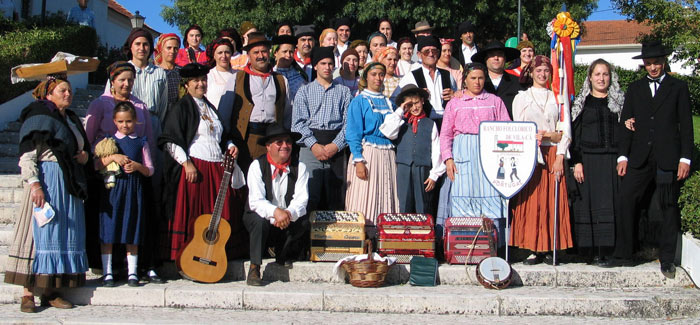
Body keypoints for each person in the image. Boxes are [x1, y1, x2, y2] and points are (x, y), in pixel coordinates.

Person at [6, 76, 91, 313]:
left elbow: (81, 147)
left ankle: (51, 290)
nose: (68, 94)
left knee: (59, 236)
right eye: (62, 90)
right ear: (48, 94)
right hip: (46, 180)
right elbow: (27, 155)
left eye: (70, 90)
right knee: (36, 236)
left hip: (67, 183)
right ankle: (28, 293)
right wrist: (35, 185)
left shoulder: (71, 119)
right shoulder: (39, 117)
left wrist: (84, 155)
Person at [615, 41, 694, 278]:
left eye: (656, 63)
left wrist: (685, 159)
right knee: (626, 198)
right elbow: (625, 124)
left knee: (668, 206)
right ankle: (624, 254)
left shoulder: (678, 87)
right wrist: (623, 156)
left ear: (664, 62)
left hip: (668, 157)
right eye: (648, 64)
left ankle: (667, 259)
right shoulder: (635, 88)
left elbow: (687, 126)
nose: (653, 67)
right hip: (639, 156)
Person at [159, 63, 247, 262]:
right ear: (186, 85)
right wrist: (186, 163)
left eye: (203, 80)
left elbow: (222, 135)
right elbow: (169, 140)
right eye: (196, 81)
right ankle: (190, 255)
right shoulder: (181, 107)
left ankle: (219, 253)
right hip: (196, 167)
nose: (201, 84)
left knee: (220, 210)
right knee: (196, 215)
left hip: (216, 167)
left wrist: (231, 145)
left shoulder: (209, 107)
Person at [510, 55, 573, 265]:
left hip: (553, 152)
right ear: (531, 72)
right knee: (533, 201)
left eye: (546, 70)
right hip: (532, 154)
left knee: (552, 200)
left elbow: (564, 128)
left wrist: (560, 153)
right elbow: (517, 127)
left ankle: (550, 247)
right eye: (538, 70)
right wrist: (536, 137)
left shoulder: (557, 96)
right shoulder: (522, 97)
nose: (542, 74)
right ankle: (532, 247)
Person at [439, 63, 511, 245]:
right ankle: (464, 244)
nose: (477, 82)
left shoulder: (495, 101)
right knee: (463, 194)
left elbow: (507, 127)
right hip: (463, 152)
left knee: (491, 196)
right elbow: (446, 133)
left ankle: (492, 245)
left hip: (489, 152)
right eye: (473, 78)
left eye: (480, 78)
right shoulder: (455, 103)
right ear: (465, 81)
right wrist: (448, 159)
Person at [569, 59, 625, 267]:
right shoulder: (581, 104)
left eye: (605, 74)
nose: (601, 78)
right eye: (597, 74)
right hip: (588, 162)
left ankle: (609, 251)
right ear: (590, 77)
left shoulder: (620, 103)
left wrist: (623, 157)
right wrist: (577, 163)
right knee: (589, 205)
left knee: (610, 205)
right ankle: (589, 251)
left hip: (612, 162)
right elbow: (574, 135)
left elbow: (627, 133)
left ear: (611, 77)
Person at [243, 124, 309, 286]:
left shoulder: (300, 167)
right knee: (258, 221)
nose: (285, 146)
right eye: (279, 142)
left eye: (288, 142)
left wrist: (287, 213)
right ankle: (254, 268)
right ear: (268, 146)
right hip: (264, 218)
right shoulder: (256, 166)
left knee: (303, 219)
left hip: (285, 219)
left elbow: (301, 200)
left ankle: (283, 254)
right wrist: (275, 213)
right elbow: (256, 201)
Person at [96, 101, 153, 287]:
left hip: (133, 190)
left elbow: (150, 169)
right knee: (109, 230)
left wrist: (137, 167)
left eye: (128, 121)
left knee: (132, 229)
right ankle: (108, 272)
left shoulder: (141, 141)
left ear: (135, 121)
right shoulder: (109, 141)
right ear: (114, 121)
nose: (125, 125)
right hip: (112, 191)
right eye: (120, 122)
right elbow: (96, 165)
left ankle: (133, 272)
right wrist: (113, 157)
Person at [292, 47, 353, 213]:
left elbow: (349, 124)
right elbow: (297, 123)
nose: (327, 67)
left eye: (330, 63)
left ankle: (336, 236)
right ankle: (306, 236)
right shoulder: (304, 91)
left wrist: (336, 145)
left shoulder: (344, 92)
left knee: (336, 193)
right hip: (311, 145)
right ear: (316, 66)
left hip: (337, 146)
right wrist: (314, 145)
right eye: (323, 63)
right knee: (309, 192)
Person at [345, 63, 400, 236]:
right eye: (374, 74)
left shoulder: (389, 102)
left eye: (381, 74)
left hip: (388, 153)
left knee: (386, 193)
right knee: (365, 194)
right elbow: (353, 132)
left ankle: (385, 236)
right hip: (368, 152)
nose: (378, 78)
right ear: (366, 77)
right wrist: (358, 159)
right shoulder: (359, 101)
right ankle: (364, 237)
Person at [227, 32, 291, 171]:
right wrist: (229, 141)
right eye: (256, 52)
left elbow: (287, 114)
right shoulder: (236, 78)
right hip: (246, 140)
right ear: (249, 55)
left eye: (264, 51)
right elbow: (226, 113)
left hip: (273, 140)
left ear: (269, 53)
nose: (260, 56)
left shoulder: (281, 80)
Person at [380, 85, 445, 214]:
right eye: (410, 105)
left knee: (423, 203)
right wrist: (400, 111)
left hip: (423, 167)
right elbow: (387, 131)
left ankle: (424, 232)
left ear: (422, 101)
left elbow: (437, 150)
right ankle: (404, 232)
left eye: (416, 103)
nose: (414, 108)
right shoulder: (399, 121)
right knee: (404, 202)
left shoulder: (430, 124)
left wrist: (434, 175)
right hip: (404, 166)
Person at [395, 35, 457, 129]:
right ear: (419, 54)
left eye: (434, 51)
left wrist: (454, 96)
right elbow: (397, 100)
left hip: (447, 123)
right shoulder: (411, 76)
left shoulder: (447, 75)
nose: (431, 54)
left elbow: (458, 98)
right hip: (422, 124)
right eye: (426, 51)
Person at [471, 41, 524, 119]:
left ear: (505, 59)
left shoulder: (518, 82)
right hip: (482, 128)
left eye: (499, 54)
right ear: (485, 59)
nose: (496, 58)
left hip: (510, 128)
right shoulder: (477, 82)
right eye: (492, 55)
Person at [272, 34, 308, 110]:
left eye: (291, 52)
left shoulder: (300, 77)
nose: (288, 55)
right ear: (275, 53)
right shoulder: (270, 75)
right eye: (284, 52)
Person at [205, 38, 237, 110]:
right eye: (220, 53)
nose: (224, 56)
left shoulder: (238, 75)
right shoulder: (208, 76)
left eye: (227, 52)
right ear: (214, 55)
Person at [154, 33, 182, 110]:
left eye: (175, 48)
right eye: (169, 48)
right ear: (161, 49)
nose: (172, 51)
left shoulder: (182, 72)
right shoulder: (154, 72)